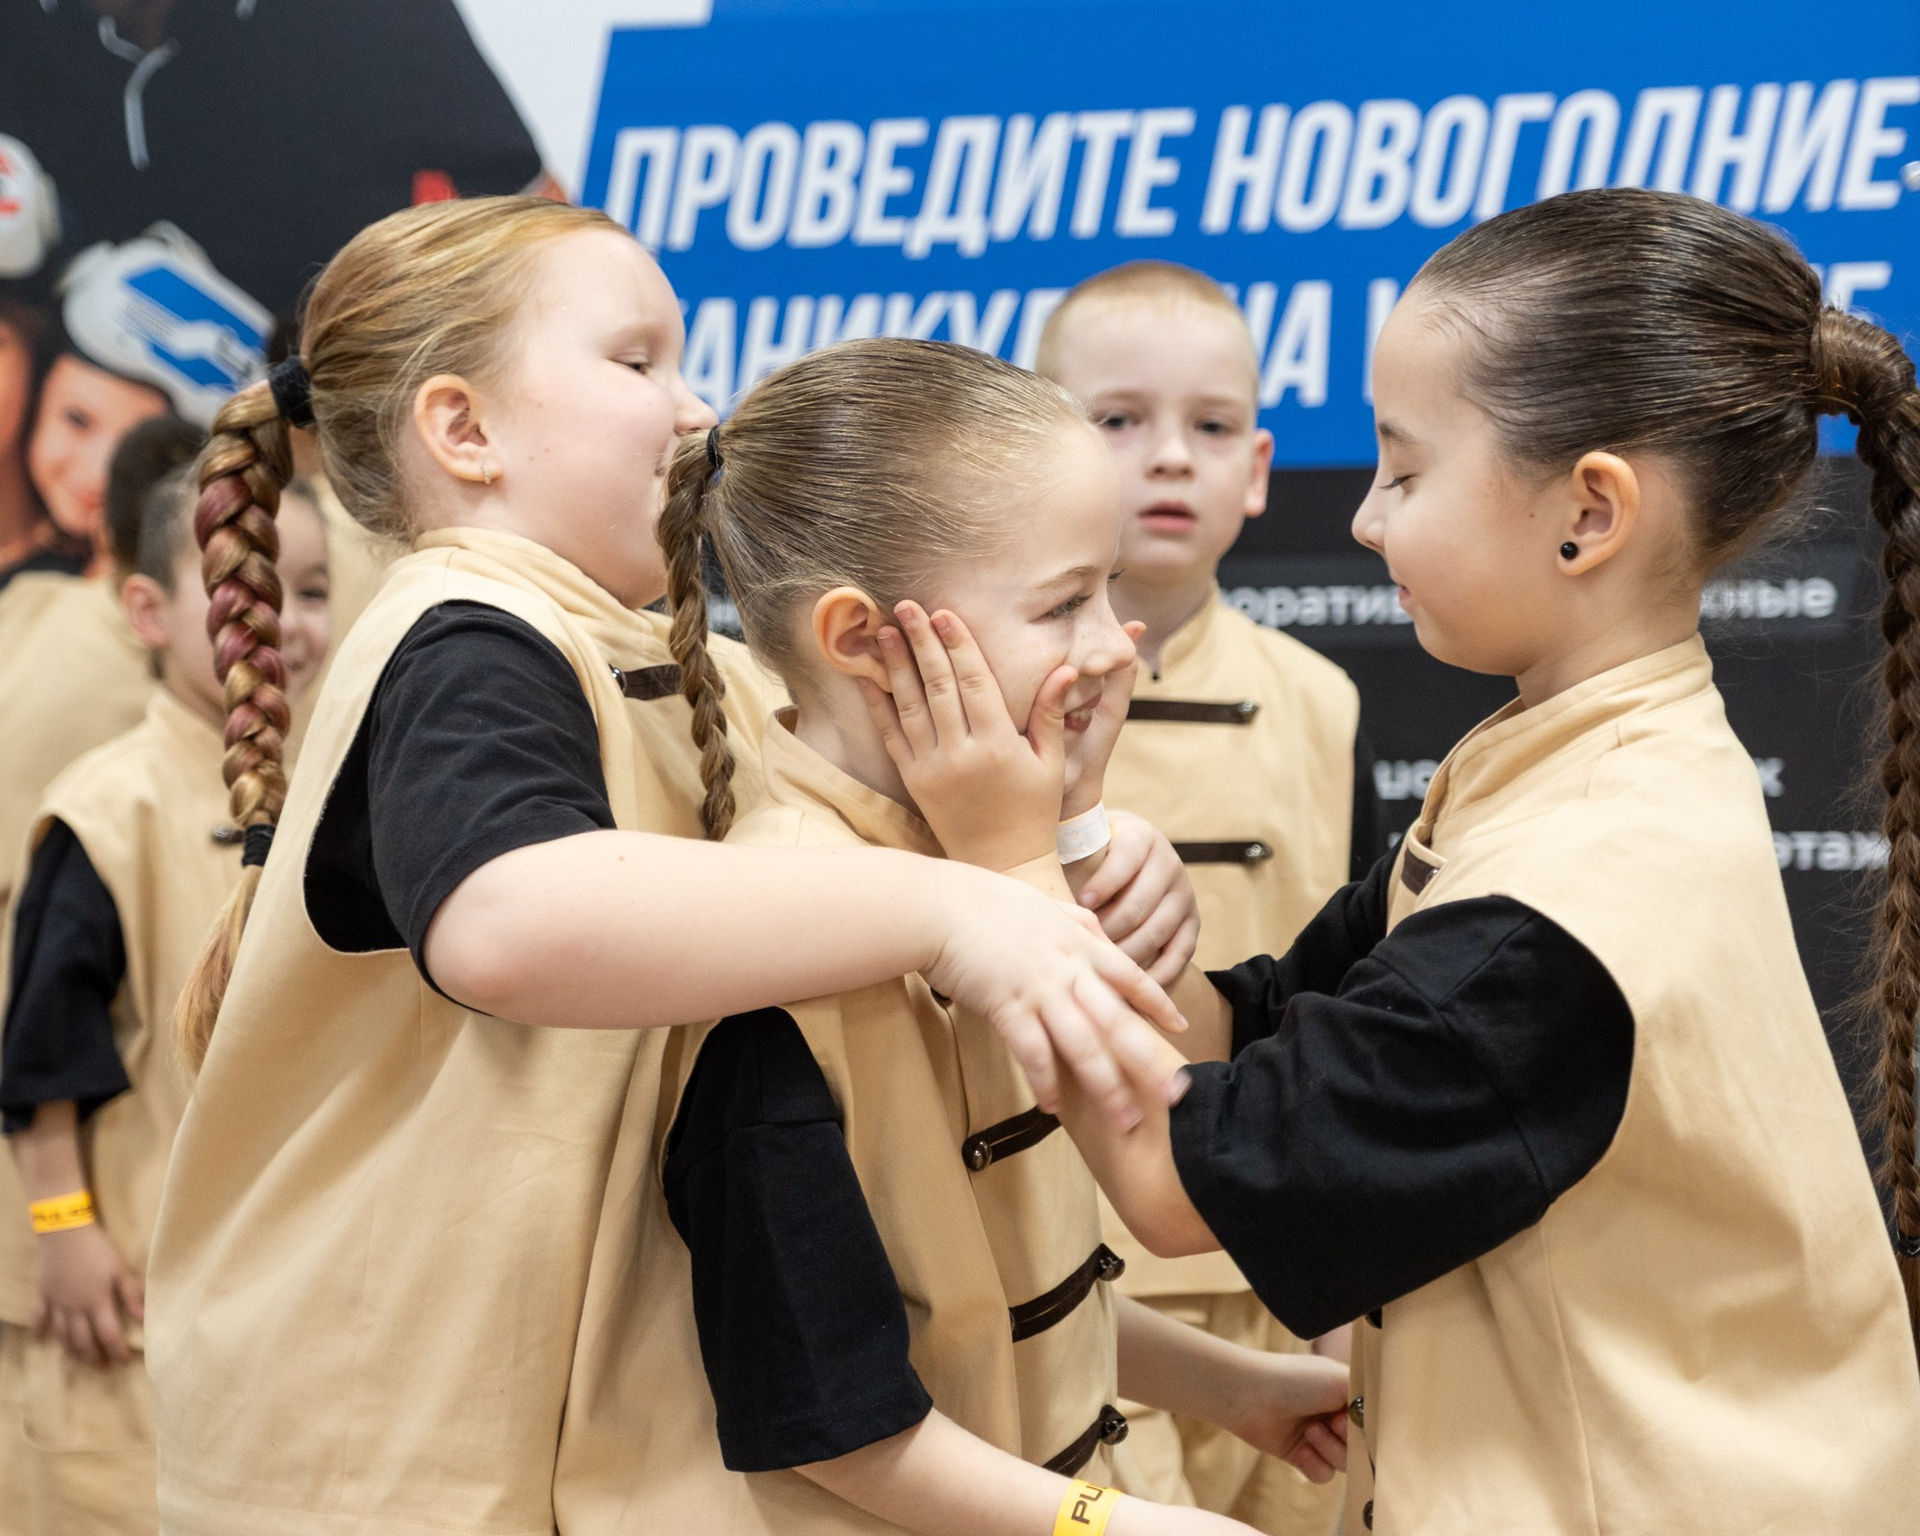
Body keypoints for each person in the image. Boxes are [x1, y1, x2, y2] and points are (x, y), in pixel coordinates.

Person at [144, 196, 1189, 1536]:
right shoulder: (465, 634)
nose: (695, 410)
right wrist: (950, 909)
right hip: (384, 1460)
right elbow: (504, 924)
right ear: (463, 431)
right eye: (637, 361)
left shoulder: (684, 665)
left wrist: (1076, 844)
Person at [1031, 188, 1920, 1535]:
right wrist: (1088, 859)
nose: (1365, 519)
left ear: (1589, 514)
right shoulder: (1544, 762)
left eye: (1404, 472)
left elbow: (1169, 1181)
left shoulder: (1577, 890)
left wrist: (997, 863)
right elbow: (1249, 1032)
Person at [569, 336, 1348, 1536]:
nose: (1116, 644)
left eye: (1110, 591)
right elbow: (842, 1431)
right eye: (1064, 603)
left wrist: (1234, 1388)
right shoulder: (773, 978)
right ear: (859, 638)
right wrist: (1120, 1525)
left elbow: (987, 1294)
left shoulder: (976, 882)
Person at [1037, 262, 1376, 1536]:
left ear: (1260, 467)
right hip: (1067, 1267)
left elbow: (1353, 1006)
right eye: (1118, 420)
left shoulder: (1321, 700)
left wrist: (1349, 1278)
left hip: (1280, 1259)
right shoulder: (985, 698)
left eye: (1213, 425)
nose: (1170, 457)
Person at [0, 442, 330, 1536]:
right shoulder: (111, 808)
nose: (284, 620)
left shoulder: (330, 799)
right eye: (245, 588)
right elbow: (41, 1052)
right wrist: (64, 1230)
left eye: (312, 589)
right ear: (147, 611)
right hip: (120, 1307)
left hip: (267, 1311)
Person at [0, 227, 273, 943]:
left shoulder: (118, 626)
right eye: (76, 419)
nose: (96, 473)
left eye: (135, 452)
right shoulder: (36, 594)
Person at [1, 0, 555, 319]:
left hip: (341, 435)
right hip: (67, 455)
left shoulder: (370, 15)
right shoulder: (19, 28)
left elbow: (540, 229)